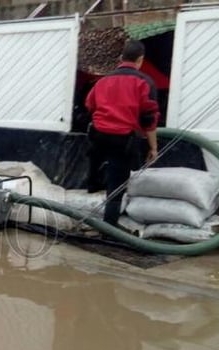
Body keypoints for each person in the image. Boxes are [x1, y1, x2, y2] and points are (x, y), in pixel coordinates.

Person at [85, 40, 159, 227]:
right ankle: (109, 227)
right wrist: (153, 147)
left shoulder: (102, 81)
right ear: (140, 59)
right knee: (117, 185)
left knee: (98, 163)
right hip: (122, 139)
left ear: (120, 58)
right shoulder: (144, 82)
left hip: (98, 135)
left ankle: (93, 183)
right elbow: (149, 119)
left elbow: (89, 105)